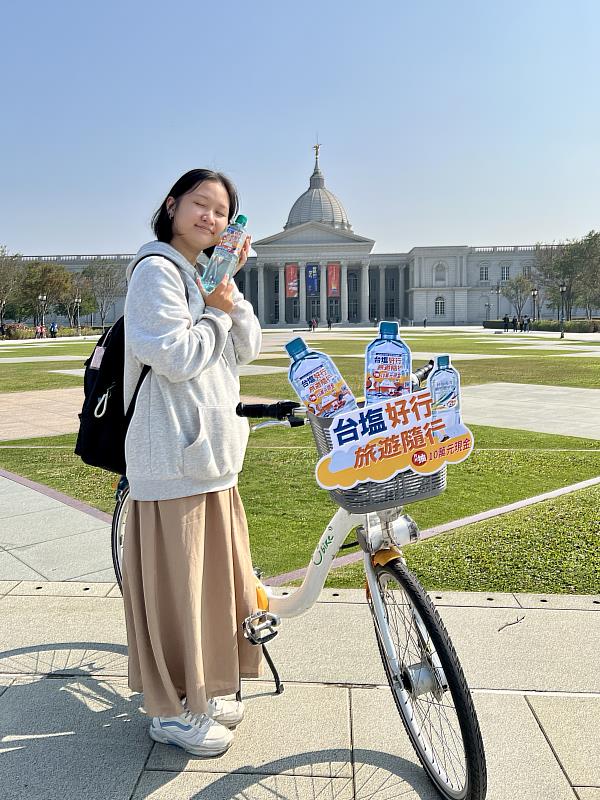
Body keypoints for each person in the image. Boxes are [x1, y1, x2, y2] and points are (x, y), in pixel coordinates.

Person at [122, 168, 262, 758]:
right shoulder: (155, 271)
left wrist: (228, 300)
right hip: (172, 457)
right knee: (180, 591)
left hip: (211, 457)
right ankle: (171, 710)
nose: (210, 217)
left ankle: (206, 688)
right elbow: (174, 357)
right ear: (172, 205)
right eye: (200, 204)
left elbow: (246, 351)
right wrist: (213, 311)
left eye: (222, 211)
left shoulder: (210, 275)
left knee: (213, 589)